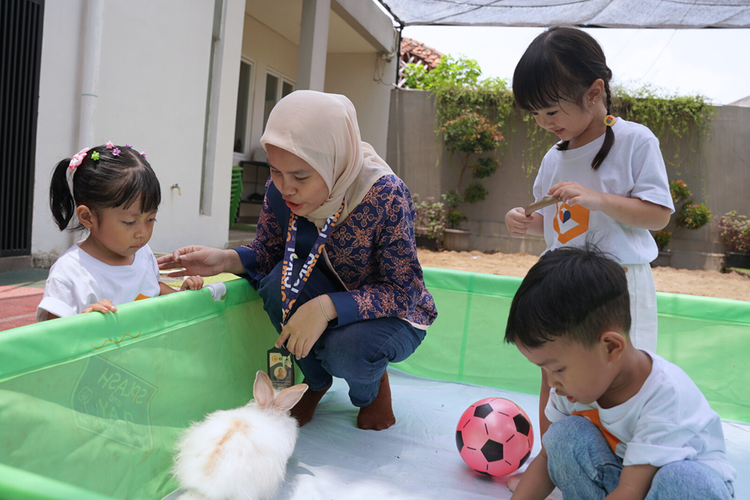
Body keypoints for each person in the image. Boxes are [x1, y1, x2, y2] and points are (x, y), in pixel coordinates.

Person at [158, 90, 437, 431]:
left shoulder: (383, 194)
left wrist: (325, 307)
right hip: (321, 294)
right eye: (275, 171)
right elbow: (270, 252)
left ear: (334, 163)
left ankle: (371, 389)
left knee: (347, 349)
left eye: (301, 177)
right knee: (279, 283)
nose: (285, 187)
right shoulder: (280, 189)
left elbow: (403, 291)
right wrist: (224, 260)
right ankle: (316, 382)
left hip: (389, 316)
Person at [503, 26, 674, 437]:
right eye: (536, 114)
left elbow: (658, 215)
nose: (544, 123)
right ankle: (551, 460)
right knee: (555, 373)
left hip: (618, 286)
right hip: (563, 283)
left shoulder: (635, 141)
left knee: (619, 380)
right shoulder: (554, 158)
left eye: (552, 111)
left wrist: (598, 198)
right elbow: (559, 223)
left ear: (594, 92)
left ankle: (620, 467)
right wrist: (527, 223)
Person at [504, 246, 736, 500]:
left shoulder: (664, 397)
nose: (551, 381)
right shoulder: (570, 386)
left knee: (683, 481)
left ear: (611, 347)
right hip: (623, 483)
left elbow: (632, 490)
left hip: (676, 490)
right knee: (562, 438)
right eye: (545, 369)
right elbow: (547, 457)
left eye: (558, 368)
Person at [37, 142, 203, 321]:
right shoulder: (69, 273)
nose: (142, 232)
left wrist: (182, 296)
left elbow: (153, 289)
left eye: (150, 219)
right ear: (87, 217)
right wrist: (86, 321)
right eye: (129, 222)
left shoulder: (142, 254)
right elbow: (54, 335)